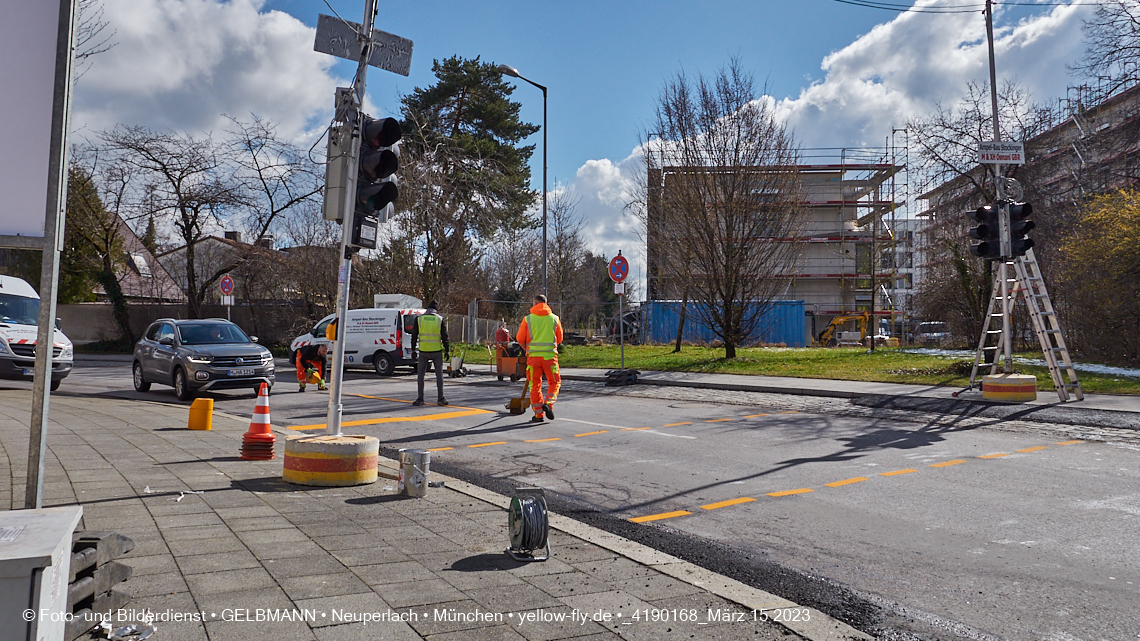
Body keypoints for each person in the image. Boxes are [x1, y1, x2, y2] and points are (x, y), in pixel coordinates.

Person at [517, 294, 563, 423]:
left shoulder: (528, 319)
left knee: (535, 385)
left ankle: (538, 415)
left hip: (533, 359)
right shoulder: (554, 319)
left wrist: (527, 349)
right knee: (554, 382)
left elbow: (520, 338)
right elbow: (559, 339)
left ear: (535, 303)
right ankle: (549, 402)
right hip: (550, 358)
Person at [410, 300, 449, 406]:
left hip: (423, 351)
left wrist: (413, 349)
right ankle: (440, 398)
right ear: (436, 309)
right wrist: (447, 350)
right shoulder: (440, 319)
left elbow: (414, 336)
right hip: (436, 351)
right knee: (439, 374)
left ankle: (420, 398)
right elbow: (445, 336)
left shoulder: (419, 319)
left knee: (421, 375)